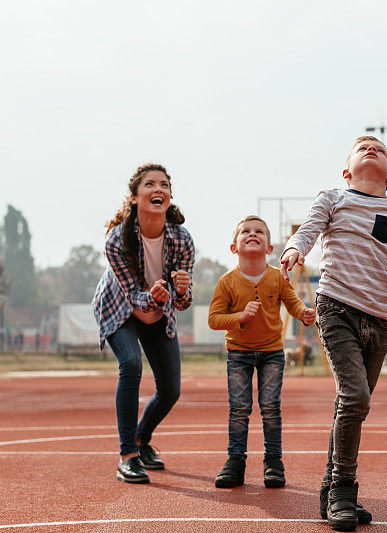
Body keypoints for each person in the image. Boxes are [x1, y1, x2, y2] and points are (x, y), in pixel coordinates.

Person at [280, 136, 387, 531]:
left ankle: (329, 489)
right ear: (347, 170)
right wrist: (296, 249)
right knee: (356, 395)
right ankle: (344, 489)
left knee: (352, 404)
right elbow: (308, 230)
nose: (371, 148)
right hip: (336, 307)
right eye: (362, 147)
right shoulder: (333, 198)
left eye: (379, 148)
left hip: (378, 319)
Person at [93, 163, 194, 484]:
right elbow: (133, 297)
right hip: (120, 309)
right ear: (135, 197)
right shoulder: (117, 241)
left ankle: (141, 438)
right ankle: (128, 456)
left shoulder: (182, 240)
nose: (158, 189)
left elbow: (184, 300)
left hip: (158, 311)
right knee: (131, 364)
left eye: (164, 185)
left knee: (170, 390)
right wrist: (154, 295)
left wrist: (181, 290)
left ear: (169, 197)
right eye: (150, 184)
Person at [208, 215, 316, 489]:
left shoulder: (277, 278)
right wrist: (240, 317)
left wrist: (303, 312)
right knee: (239, 409)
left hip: (271, 352)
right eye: (245, 231)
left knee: (270, 407)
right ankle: (235, 462)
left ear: (269, 248)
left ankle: (273, 463)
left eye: (259, 232)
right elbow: (214, 318)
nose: (252, 234)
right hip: (238, 353)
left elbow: (292, 303)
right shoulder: (227, 281)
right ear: (234, 247)